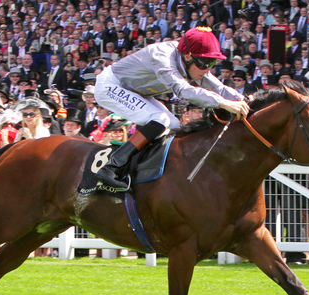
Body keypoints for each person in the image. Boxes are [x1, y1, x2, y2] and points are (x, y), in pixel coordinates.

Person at [93, 26, 249, 190]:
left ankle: (143, 170)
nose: (207, 69)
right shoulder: (162, 57)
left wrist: (245, 100)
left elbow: (219, 87)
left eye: (212, 63)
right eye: (205, 63)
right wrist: (223, 103)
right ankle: (112, 167)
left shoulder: (192, 60)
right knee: (159, 120)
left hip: (135, 90)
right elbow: (183, 91)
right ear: (188, 57)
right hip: (111, 85)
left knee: (174, 125)